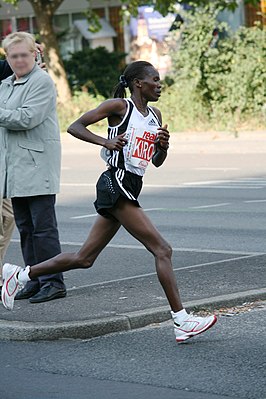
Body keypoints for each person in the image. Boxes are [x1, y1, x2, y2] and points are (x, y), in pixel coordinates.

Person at [1, 60, 217, 342]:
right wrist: (106, 142)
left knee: (84, 258)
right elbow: (74, 126)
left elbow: (155, 162)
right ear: (139, 83)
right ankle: (181, 320)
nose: (159, 84)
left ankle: (19, 275)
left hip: (131, 185)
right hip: (115, 183)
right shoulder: (118, 107)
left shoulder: (154, 115)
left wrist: (163, 146)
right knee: (163, 249)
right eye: (155, 79)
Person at [0, 32, 66, 304]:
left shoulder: (41, 82)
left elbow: (27, 118)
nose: (19, 60)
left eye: (23, 55)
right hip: (15, 168)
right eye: (13, 56)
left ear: (34, 55)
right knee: (26, 228)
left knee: (43, 228)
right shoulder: (5, 84)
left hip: (36, 166)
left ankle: (54, 281)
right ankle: (34, 278)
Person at [0, 43, 45, 297]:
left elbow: (16, 62)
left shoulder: (11, 72)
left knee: (8, 219)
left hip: (6, 156)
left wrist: (29, 56)